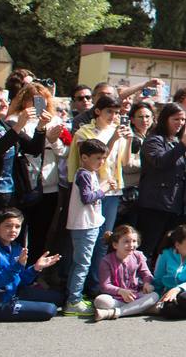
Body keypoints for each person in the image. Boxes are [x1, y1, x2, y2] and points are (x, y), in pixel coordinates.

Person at [70, 95, 133, 286]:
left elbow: (126, 163)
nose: (113, 116)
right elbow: (91, 157)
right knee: (87, 240)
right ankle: (80, 286)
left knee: (104, 239)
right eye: (109, 111)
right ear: (97, 111)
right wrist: (113, 139)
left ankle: (97, 283)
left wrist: (129, 140)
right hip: (91, 192)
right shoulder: (85, 131)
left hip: (112, 191)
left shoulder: (118, 132)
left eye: (116, 112)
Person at [137, 102, 186, 261]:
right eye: (176, 119)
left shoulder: (180, 140)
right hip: (156, 202)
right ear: (165, 119)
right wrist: (183, 144)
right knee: (150, 242)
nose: (180, 123)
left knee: (171, 245)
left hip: (178, 202)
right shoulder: (154, 140)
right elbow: (160, 162)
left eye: (183, 120)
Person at [0, 83, 51, 229]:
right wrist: (19, 125)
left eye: (5, 100)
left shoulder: (6, 127)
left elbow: (33, 149)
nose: (5, 104)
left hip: (10, 193)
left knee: (8, 237)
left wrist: (41, 127)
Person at [9, 82, 67, 263]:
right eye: (31, 100)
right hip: (23, 185)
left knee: (40, 231)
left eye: (40, 100)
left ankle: (34, 271)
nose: (35, 105)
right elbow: (27, 147)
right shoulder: (15, 119)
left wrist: (53, 140)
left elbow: (63, 152)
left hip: (48, 184)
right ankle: (14, 269)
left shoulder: (55, 120)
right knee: (17, 231)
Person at [0, 207, 63, 321]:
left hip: (16, 292)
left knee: (59, 298)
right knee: (50, 310)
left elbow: (21, 280)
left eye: (17, 226)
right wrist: (17, 266)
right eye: (8, 226)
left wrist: (35, 268)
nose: (13, 230)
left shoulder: (16, 248)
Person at [63, 137, 110, 316]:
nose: (101, 162)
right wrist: (103, 189)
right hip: (84, 225)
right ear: (84, 157)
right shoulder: (83, 174)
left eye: (102, 158)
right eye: (97, 158)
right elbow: (87, 197)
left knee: (80, 262)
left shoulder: (89, 173)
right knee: (82, 263)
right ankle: (73, 301)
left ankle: (74, 295)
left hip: (88, 223)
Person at [93, 224, 158, 321]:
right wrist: (121, 291)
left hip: (135, 295)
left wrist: (147, 283)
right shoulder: (106, 261)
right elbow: (105, 285)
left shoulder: (138, 255)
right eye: (126, 242)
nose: (131, 245)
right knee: (100, 301)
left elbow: (146, 274)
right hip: (115, 298)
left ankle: (114, 313)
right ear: (115, 245)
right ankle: (137, 309)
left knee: (154, 296)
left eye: (134, 241)